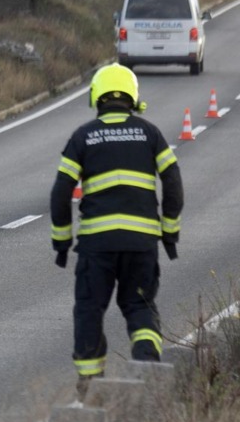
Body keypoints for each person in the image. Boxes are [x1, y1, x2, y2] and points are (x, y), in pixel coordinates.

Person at [50, 63, 183, 398]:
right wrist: (169, 232)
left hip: (97, 246)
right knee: (140, 306)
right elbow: (173, 180)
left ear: (96, 97)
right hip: (141, 244)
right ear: (132, 98)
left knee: (90, 309)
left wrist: (62, 241)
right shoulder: (149, 133)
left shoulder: (83, 136)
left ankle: (91, 389)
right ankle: (147, 370)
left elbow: (61, 191)